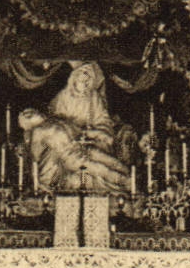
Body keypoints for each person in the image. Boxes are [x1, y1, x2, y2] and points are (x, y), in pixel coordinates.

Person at [22, 61, 135, 194]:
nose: (85, 84)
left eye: (88, 81)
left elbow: (103, 121)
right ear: (74, 78)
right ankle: (122, 179)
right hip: (73, 153)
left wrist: (94, 133)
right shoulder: (60, 100)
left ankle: (126, 176)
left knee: (103, 158)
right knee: (94, 166)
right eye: (82, 80)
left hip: (90, 141)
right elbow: (36, 155)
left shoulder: (94, 98)